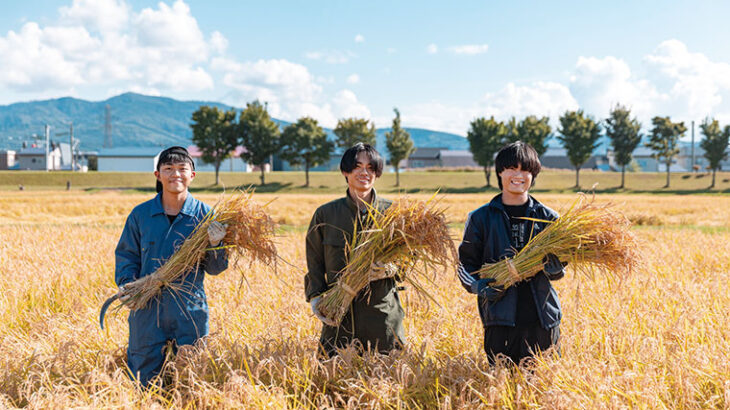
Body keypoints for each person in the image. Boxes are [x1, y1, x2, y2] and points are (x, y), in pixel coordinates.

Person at [115, 146, 228, 385]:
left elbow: (215, 268)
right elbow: (127, 256)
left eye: (181, 169)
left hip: (189, 308)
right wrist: (128, 285)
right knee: (143, 377)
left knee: (192, 377)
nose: (175, 174)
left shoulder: (205, 215)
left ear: (192, 175)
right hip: (146, 306)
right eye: (168, 169)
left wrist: (217, 244)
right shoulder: (141, 215)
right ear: (157, 175)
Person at [457, 141, 565, 365]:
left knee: (543, 387)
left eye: (525, 170)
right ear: (500, 172)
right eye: (512, 169)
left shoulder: (549, 218)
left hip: (543, 319)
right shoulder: (481, 218)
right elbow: (464, 265)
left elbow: (562, 261)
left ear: (533, 175)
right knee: (500, 384)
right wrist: (478, 286)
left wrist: (557, 270)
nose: (519, 175)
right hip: (500, 319)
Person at [305, 143, 405, 357]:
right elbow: (314, 261)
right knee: (332, 381)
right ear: (345, 172)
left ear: (377, 173)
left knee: (385, 380)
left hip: (382, 316)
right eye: (357, 167)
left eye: (370, 168)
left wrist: (392, 268)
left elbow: (407, 259)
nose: (364, 173)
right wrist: (315, 296)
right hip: (338, 315)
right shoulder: (326, 215)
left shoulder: (392, 214)